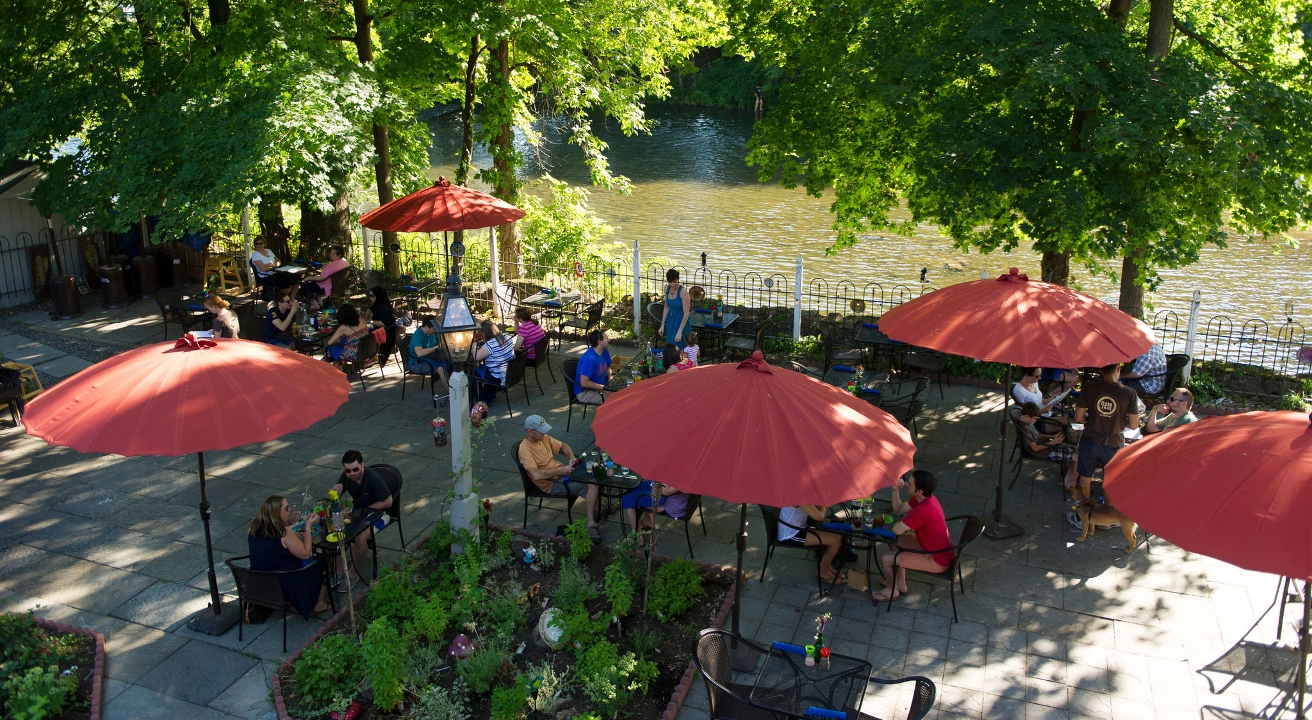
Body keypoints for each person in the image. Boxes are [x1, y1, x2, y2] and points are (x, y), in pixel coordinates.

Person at [872, 470, 954, 603]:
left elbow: (896, 530)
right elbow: (898, 510)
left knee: (886, 558)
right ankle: (900, 584)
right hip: (932, 548)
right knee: (893, 541)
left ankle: (891, 590)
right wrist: (895, 491)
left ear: (919, 490)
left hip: (936, 559)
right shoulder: (924, 499)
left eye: (910, 484)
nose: (906, 484)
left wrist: (906, 521)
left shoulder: (923, 510)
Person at [517, 415, 601, 542]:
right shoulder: (525, 450)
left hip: (562, 473)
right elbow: (536, 475)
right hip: (552, 483)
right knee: (592, 484)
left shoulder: (543, 437)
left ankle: (598, 508)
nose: (544, 433)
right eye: (541, 431)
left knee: (597, 472)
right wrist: (561, 471)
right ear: (530, 431)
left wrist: (572, 457)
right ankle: (591, 524)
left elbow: (563, 445)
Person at [247, 495, 330, 617]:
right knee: (321, 561)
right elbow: (305, 553)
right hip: (285, 581)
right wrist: (308, 527)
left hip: (260, 580)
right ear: (276, 513)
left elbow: (270, 545)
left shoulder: (254, 526)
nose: (289, 509)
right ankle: (319, 604)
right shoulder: (284, 532)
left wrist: (290, 521)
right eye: (286, 508)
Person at [1071, 363, 1141, 497]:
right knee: (1111, 480)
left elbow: (1078, 417)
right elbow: (1133, 425)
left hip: (1090, 439)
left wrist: (1091, 417)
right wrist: (1120, 420)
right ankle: (1108, 509)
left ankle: (1083, 508)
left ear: (1101, 370)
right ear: (1118, 369)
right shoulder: (1129, 392)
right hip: (1114, 442)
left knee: (1085, 476)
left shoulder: (1089, 388)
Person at [331, 450, 393, 577]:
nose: (352, 473)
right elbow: (336, 498)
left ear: (362, 465)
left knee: (360, 538)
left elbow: (388, 502)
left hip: (379, 514)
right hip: (358, 512)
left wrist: (365, 509)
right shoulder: (346, 476)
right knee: (334, 530)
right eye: (348, 471)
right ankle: (340, 569)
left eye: (355, 469)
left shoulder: (373, 479)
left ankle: (353, 572)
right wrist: (335, 493)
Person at [777, 505, 844, 584]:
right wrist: (824, 505)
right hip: (790, 535)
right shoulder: (801, 499)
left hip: (799, 528)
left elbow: (816, 510)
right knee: (835, 541)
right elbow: (820, 517)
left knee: (837, 536)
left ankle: (827, 566)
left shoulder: (804, 498)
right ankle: (822, 571)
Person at [1017, 402, 1079, 487]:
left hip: (1047, 446)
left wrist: (1052, 436)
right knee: (1077, 457)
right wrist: (1053, 442)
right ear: (1027, 416)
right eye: (1034, 419)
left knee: (1076, 449)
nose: (1035, 421)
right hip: (1043, 452)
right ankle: (1071, 483)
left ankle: (1070, 474)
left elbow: (1039, 435)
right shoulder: (1025, 430)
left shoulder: (1027, 423)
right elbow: (1035, 448)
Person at [622, 480, 691, 541]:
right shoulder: (688, 471)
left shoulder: (682, 476)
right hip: (677, 500)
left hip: (671, 506)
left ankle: (637, 538)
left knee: (629, 499)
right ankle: (648, 522)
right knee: (638, 486)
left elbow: (666, 491)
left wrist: (662, 476)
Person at [472, 319, 522, 401]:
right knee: (484, 367)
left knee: (473, 373)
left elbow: (476, 357)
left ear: (485, 333)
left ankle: (482, 400)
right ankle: (490, 396)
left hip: (499, 377)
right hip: (510, 372)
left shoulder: (490, 345)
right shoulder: (507, 336)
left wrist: (474, 345)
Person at [408, 317, 451, 400]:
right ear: (427, 327)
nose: (435, 330)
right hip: (417, 363)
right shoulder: (418, 335)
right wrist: (436, 347)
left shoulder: (431, 333)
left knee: (451, 363)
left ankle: (455, 387)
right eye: (434, 329)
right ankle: (451, 393)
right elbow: (419, 353)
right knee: (441, 369)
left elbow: (441, 338)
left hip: (430, 358)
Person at [323, 303, 370, 367]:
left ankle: (324, 366)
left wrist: (337, 340)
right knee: (341, 342)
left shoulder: (343, 327)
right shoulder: (361, 319)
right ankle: (337, 364)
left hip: (355, 353)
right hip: (365, 349)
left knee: (330, 349)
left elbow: (329, 343)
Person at [573, 330, 612, 405]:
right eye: (606, 338)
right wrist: (603, 388)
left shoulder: (604, 351)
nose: (609, 339)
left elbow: (608, 367)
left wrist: (610, 378)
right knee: (612, 400)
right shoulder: (589, 359)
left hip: (601, 386)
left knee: (623, 393)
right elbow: (584, 383)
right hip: (585, 392)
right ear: (599, 342)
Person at [660, 269, 691, 349]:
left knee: (680, 347)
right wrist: (662, 325)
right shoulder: (666, 289)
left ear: (678, 280)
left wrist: (679, 331)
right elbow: (666, 307)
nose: (673, 285)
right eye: (670, 282)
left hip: (681, 322)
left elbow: (686, 313)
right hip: (671, 321)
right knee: (670, 346)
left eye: (675, 282)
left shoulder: (683, 292)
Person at [366, 286, 396, 363]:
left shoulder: (383, 308)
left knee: (362, 336)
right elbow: (371, 308)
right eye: (369, 296)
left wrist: (370, 321)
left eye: (372, 296)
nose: (370, 298)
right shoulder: (380, 303)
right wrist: (366, 315)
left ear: (378, 296)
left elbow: (384, 323)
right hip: (384, 332)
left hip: (386, 336)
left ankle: (368, 355)